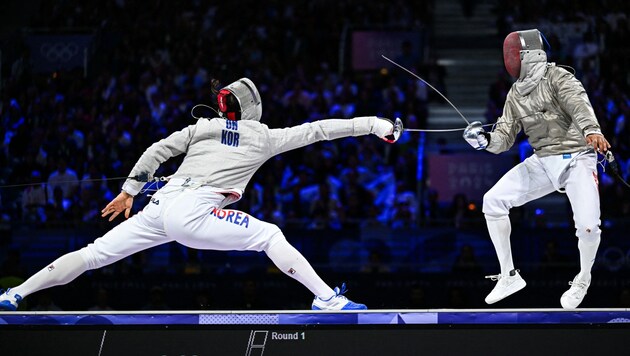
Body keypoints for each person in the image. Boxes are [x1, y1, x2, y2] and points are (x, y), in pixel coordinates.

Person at [0, 77, 402, 311]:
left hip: (159, 206)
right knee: (269, 236)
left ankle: (16, 293)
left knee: (92, 255)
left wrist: (128, 192)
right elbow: (319, 129)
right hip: (192, 211)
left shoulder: (202, 128)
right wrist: (374, 123)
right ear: (254, 109)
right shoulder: (265, 136)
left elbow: (157, 150)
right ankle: (327, 299)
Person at [463, 29, 610, 309]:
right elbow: (504, 137)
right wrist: (484, 142)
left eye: (513, 53)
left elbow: (579, 104)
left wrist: (592, 131)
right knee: (493, 201)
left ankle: (583, 278)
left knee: (589, 227)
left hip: (578, 157)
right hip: (543, 161)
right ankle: (508, 276)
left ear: (529, 55)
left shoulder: (559, 77)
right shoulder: (515, 93)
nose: (510, 59)